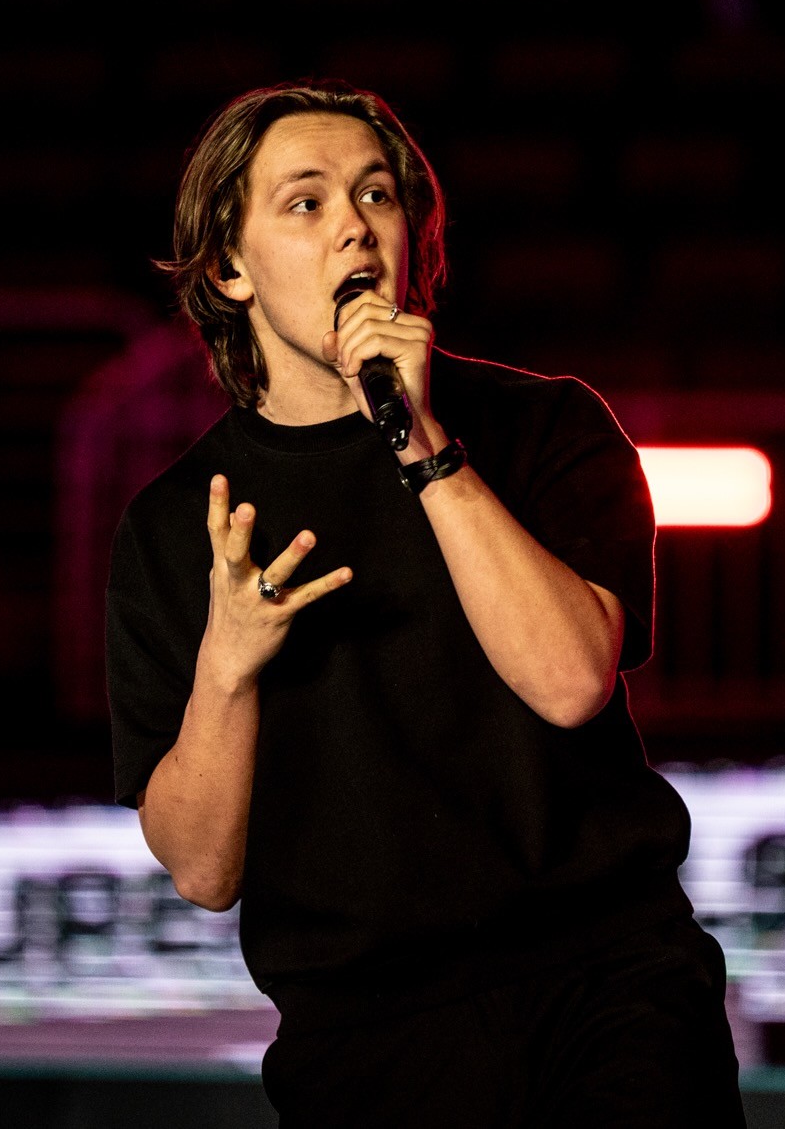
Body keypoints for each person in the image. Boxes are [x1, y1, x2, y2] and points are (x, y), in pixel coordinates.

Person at [106, 81, 743, 1127]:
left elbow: (571, 680)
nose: (355, 225)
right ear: (228, 268)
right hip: (366, 1031)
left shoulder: (546, 424)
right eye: (305, 202)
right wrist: (228, 663)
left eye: (376, 195)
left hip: (605, 982)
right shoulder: (177, 524)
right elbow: (203, 869)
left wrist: (419, 441)